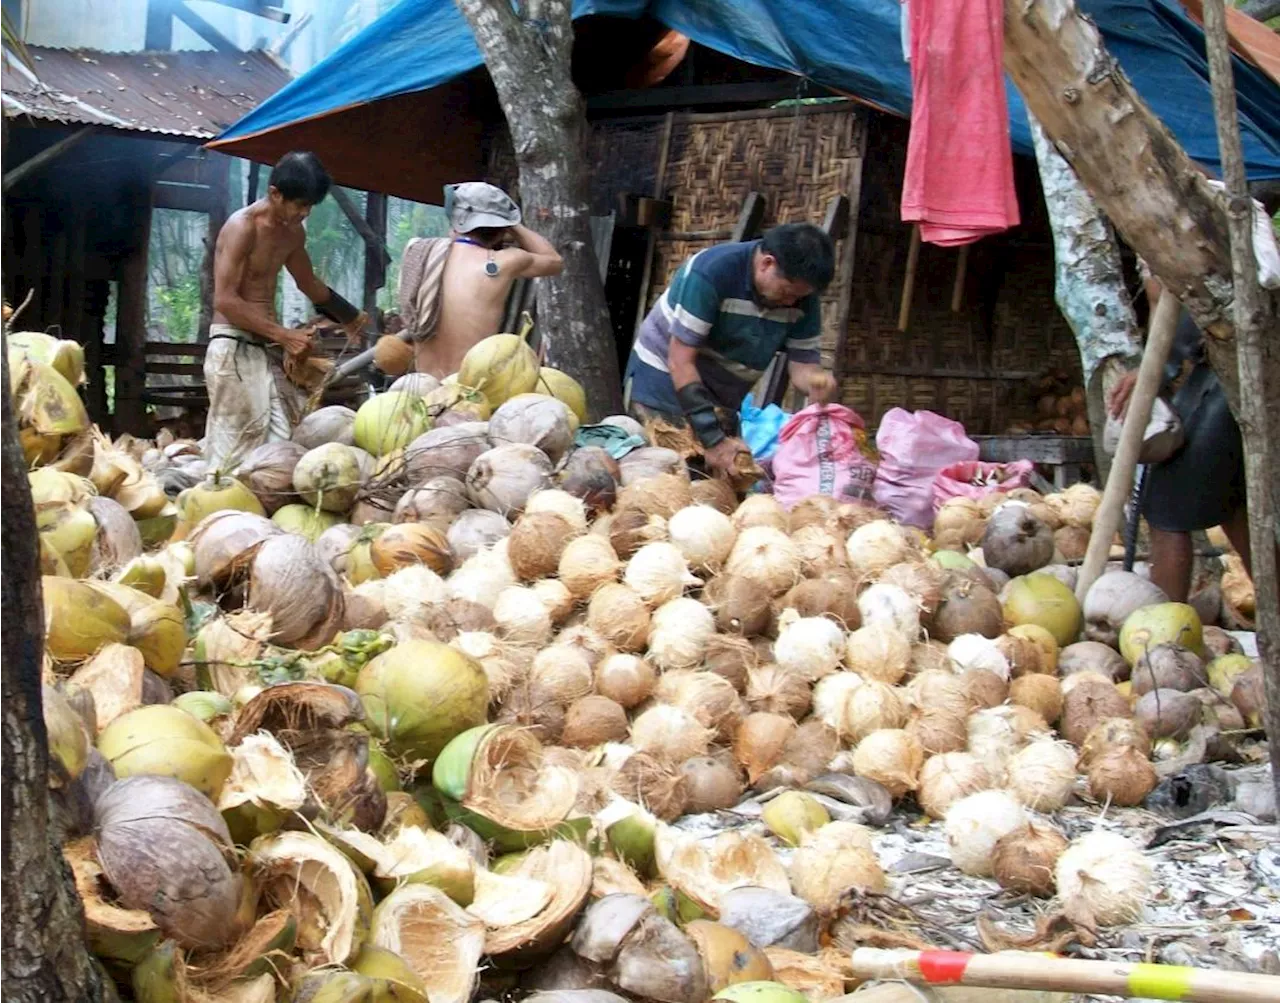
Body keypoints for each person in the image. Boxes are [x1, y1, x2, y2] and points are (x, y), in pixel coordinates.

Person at [1106, 185, 1280, 601]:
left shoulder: (1176, 214)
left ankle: (1166, 633)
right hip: (1239, 376)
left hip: (1223, 378)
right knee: (1235, 507)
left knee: (1165, 506)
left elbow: (1176, 310)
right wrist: (1150, 368)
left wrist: (1158, 374)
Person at [623, 222, 839, 474]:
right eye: (787, 292)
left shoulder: (802, 297)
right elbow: (680, 361)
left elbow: (803, 366)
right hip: (663, 379)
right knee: (667, 475)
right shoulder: (711, 273)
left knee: (722, 483)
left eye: (800, 296)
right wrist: (713, 441)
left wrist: (815, 381)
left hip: (721, 394)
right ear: (766, 264)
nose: (792, 302)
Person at [206, 151, 367, 469]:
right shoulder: (242, 227)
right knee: (234, 459)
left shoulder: (293, 233)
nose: (304, 213)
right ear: (275, 193)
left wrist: (351, 317)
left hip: (265, 349)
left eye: (309, 206)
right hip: (231, 348)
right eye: (299, 204)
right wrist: (285, 336)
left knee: (280, 453)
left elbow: (309, 284)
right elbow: (224, 300)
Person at [409, 182, 563, 379]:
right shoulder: (508, 260)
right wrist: (513, 224)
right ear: (502, 229)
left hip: (423, 385)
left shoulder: (420, 254)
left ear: (457, 220)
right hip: (471, 388)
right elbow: (555, 261)